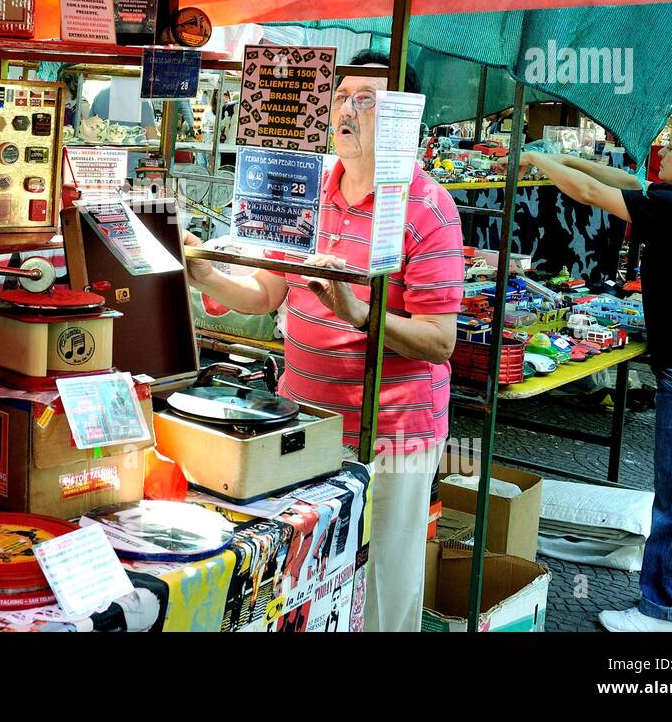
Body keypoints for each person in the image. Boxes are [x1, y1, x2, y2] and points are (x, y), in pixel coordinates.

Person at [183, 52, 463, 632]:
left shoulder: (429, 208)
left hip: (393, 436)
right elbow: (265, 294)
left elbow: (439, 342)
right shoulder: (307, 191)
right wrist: (206, 274)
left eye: (369, 100)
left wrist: (360, 313)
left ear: (403, 119)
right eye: (343, 97)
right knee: (308, 579)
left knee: (383, 583)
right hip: (305, 421)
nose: (349, 111)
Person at [520, 105, 672, 632]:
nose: (663, 150)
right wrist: (565, 158)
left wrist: (537, 157)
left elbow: (589, 195)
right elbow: (624, 182)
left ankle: (665, 614)